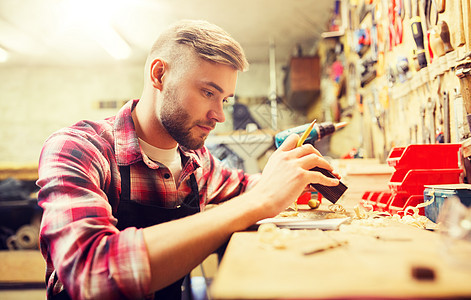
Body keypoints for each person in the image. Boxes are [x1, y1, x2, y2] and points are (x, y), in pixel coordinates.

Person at [37, 19, 340, 300]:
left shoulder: (196, 162)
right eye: (208, 92)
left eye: (224, 100)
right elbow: (90, 274)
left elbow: (247, 185)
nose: (220, 115)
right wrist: (257, 202)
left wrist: (293, 176)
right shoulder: (79, 149)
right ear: (159, 75)